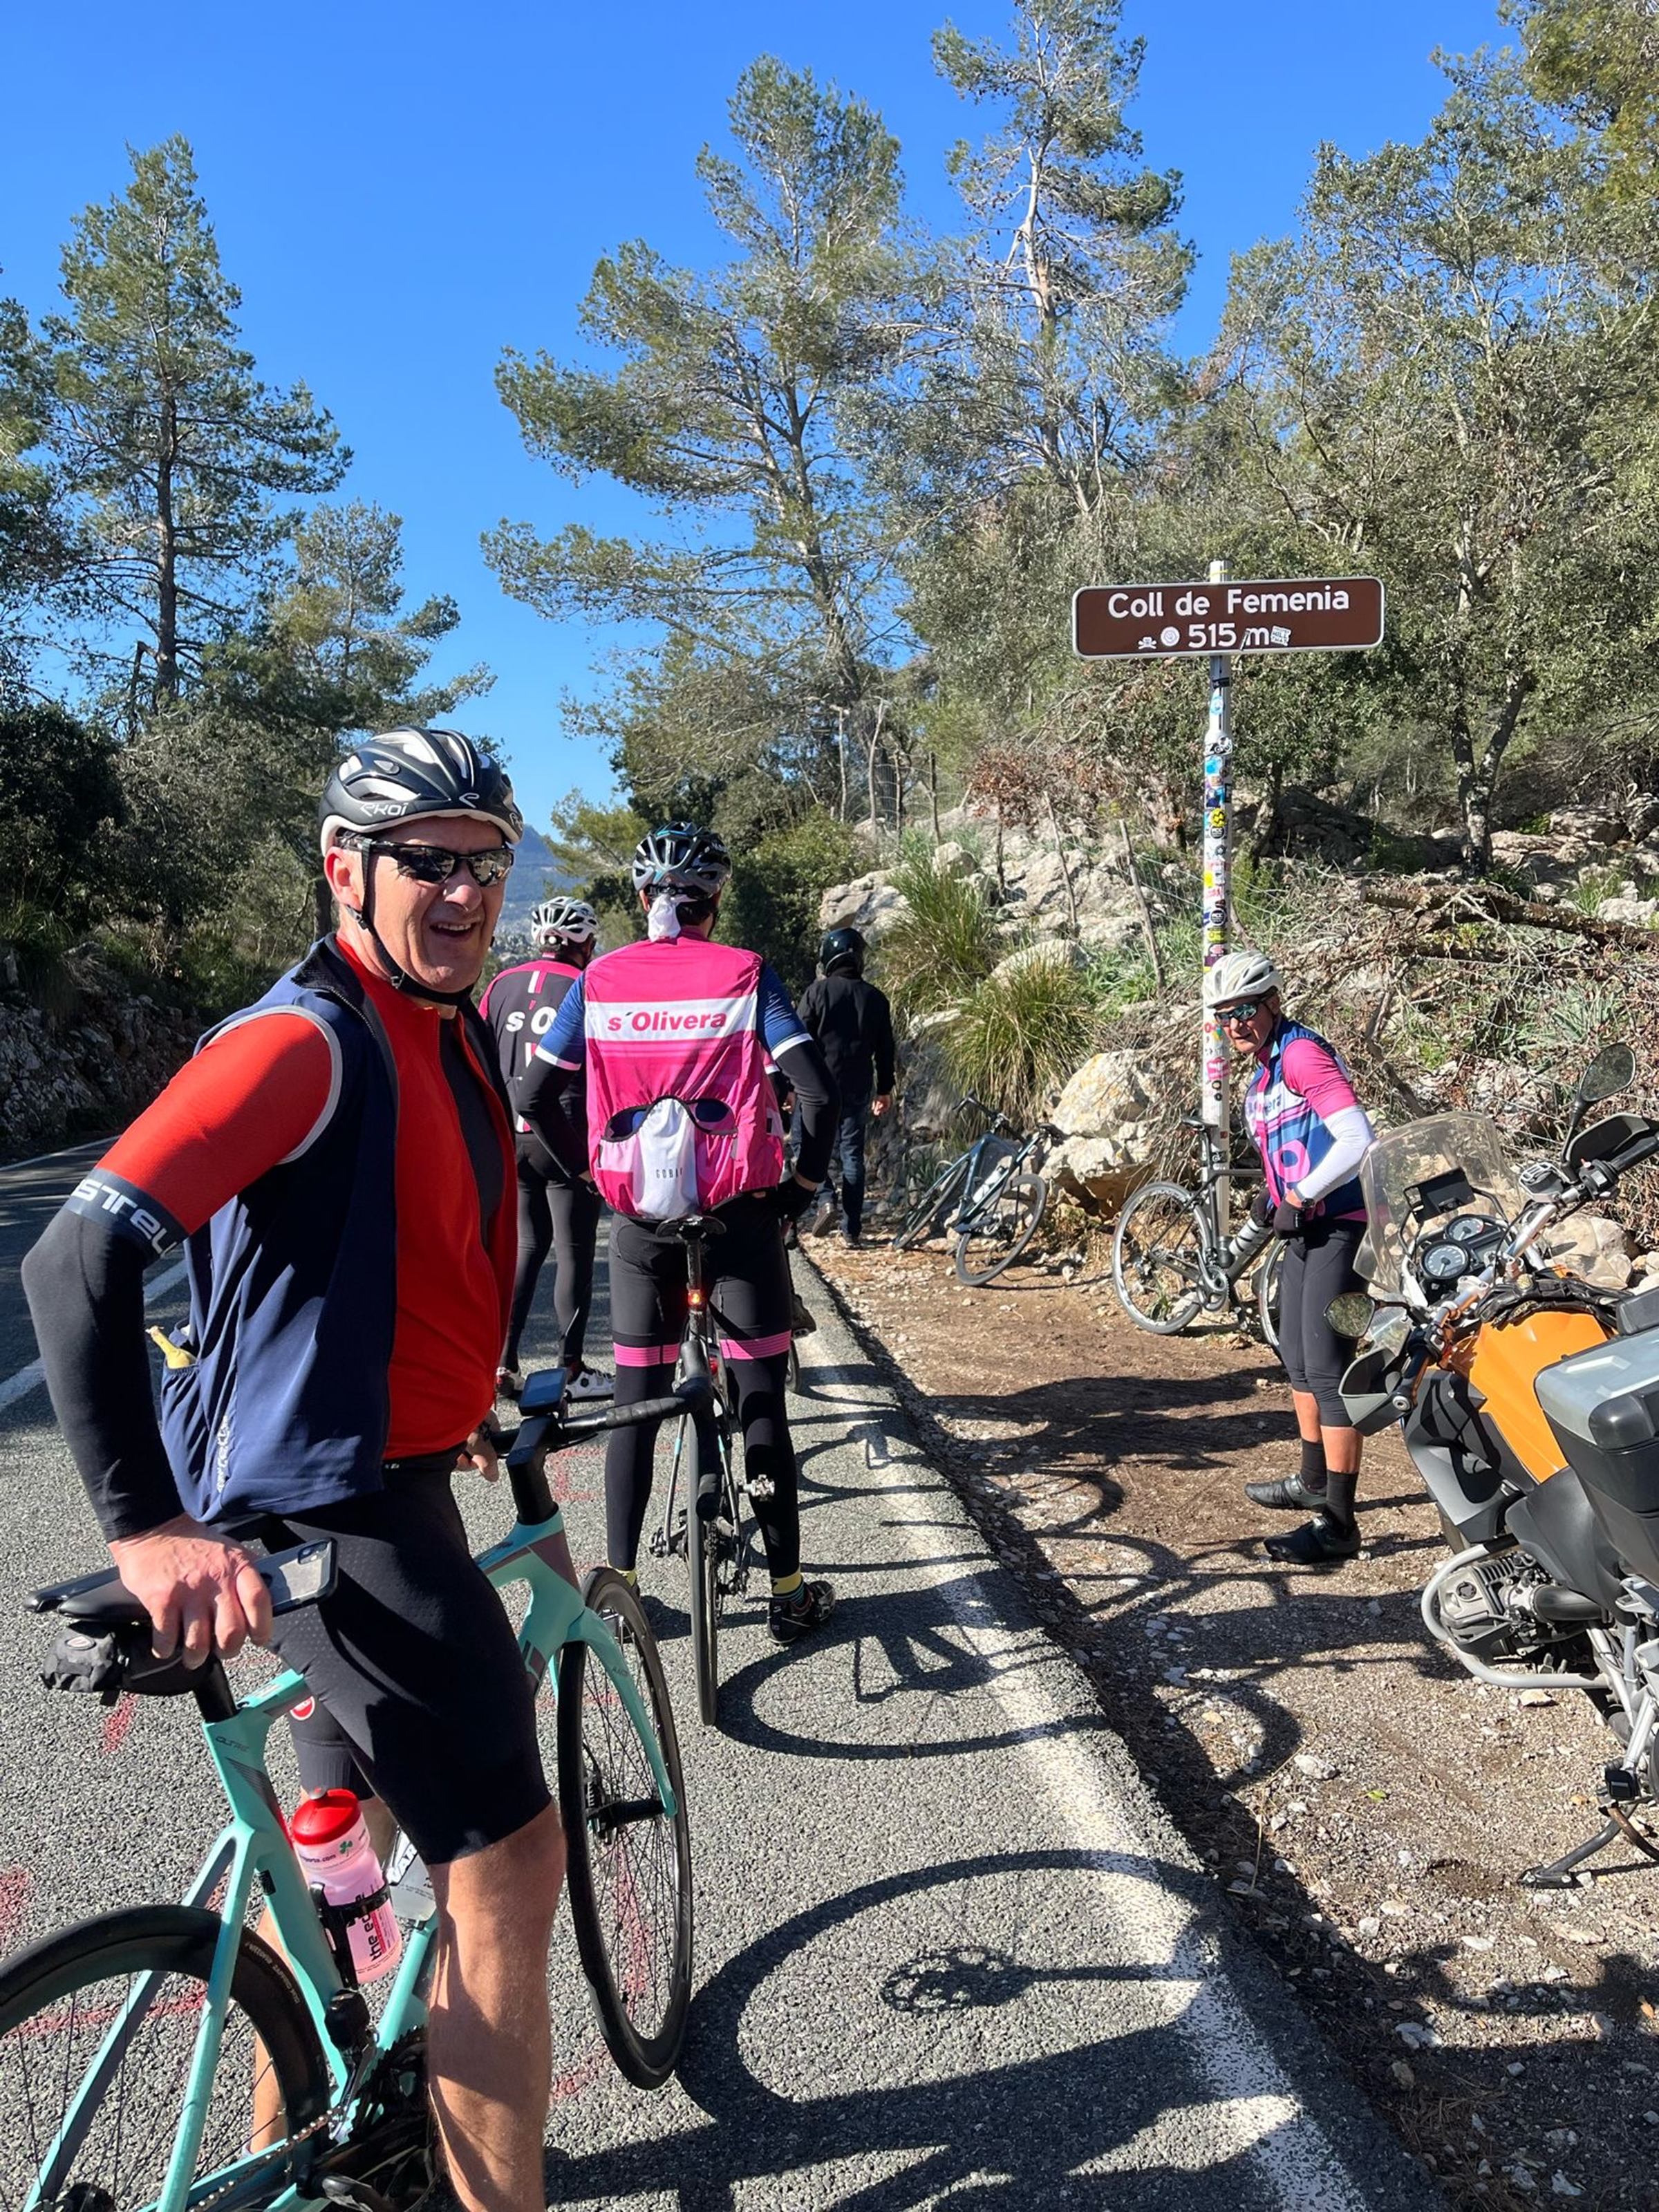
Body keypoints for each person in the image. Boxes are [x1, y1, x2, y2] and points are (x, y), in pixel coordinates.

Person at [21, 728, 564, 2212]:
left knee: (346, 1849)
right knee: (508, 1868)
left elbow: (406, 1252)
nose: (465, 892)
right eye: (427, 861)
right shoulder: (304, 1041)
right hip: (335, 1504)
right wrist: (147, 1527)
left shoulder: (441, 1022)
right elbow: (76, 1259)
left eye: (486, 862)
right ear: (344, 870)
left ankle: (299, 2160)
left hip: (387, 1469)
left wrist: (473, 1397)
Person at [519, 821, 841, 1643]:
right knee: (761, 1399)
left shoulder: (599, 980)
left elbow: (534, 1095)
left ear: (643, 897)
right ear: (715, 900)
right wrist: (799, 1188)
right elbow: (817, 1092)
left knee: (636, 1402)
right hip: (739, 1216)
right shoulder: (747, 973)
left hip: (639, 1222)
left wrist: (591, 1173)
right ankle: (788, 1591)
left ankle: (621, 1589)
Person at [1209, 948, 1377, 1568]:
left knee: (1329, 1372)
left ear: (1274, 1002)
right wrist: (1274, 1194)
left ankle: (1339, 1525)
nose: (1236, 1024)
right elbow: (1300, 1145)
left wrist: (1302, 1194)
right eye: (1225, 1015)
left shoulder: (1301, 1054)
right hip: (1305, 1228)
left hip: (1342, 1226)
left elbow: (1358, 1139)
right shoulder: (1262, 1073)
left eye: (1246, 1010)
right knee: (1299, 1362)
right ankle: (1312, 1481)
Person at [481, 895, 610, 1403]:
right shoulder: (587, 985)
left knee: (527, 1246)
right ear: (585, 943)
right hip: (565, 1134)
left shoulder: (501, 984)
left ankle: (502, 1362)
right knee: (574, 1252)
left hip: (511, 1134)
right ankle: (571, 1368)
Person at [796, 925, 895, 1245]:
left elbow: (797, 1041)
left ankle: (825, 1197)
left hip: (816, 1087)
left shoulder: (816, 993)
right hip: (857, 1087)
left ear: (828, 957)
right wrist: (885, 1089)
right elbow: (886, 1050)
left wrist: (789, 1084)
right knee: (852, 1155)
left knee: (803, 1143)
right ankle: (852, 1230)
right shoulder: (876, 998)